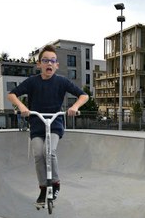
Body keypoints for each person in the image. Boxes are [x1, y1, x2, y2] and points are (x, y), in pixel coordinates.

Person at [7, 44, 89, 207]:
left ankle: (56, 183)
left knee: (49, 152)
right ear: (39, 64)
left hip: (55, 124)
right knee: (38, 154)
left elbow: (84, 95)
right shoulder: (32, 82)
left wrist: (75, 107)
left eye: (53, 61)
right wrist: (22, 107)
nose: (49, 64)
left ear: (57, 65)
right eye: (45, 61)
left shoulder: (62, 82)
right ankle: (43, 188)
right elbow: (11, 94)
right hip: (37, 124)